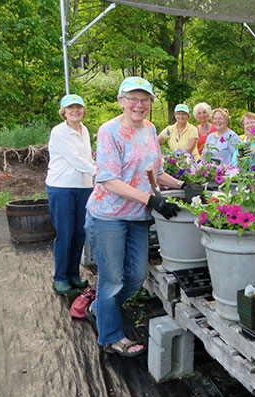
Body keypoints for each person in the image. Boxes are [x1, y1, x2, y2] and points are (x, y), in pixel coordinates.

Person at [84, 77, 187, 357]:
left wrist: (181, 185)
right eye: (132, 99)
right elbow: (107, 179)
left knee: (137, 275)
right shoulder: (110, 131)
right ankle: (111, 337)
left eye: (144, 100)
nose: (138, 105)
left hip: (138, 216)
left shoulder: (150, 129)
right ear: (121, 101)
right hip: (108, 216)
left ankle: (100, 308)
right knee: (112, 279)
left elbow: (155, 172)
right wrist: (151, 199)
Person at [46, 94, 96, 295]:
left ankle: (74, 274)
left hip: (83, 186)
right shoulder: (59, 132)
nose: (75, 111)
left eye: (79, 108)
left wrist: (96, 172)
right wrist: (99, 173)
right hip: (62, 187)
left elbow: (87, 157)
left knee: (79, 232)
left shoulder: (84, 130)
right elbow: (74, 159)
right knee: (65, 233)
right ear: (63, 112)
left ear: (83, 110)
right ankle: (60, 277)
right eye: (71, 108)